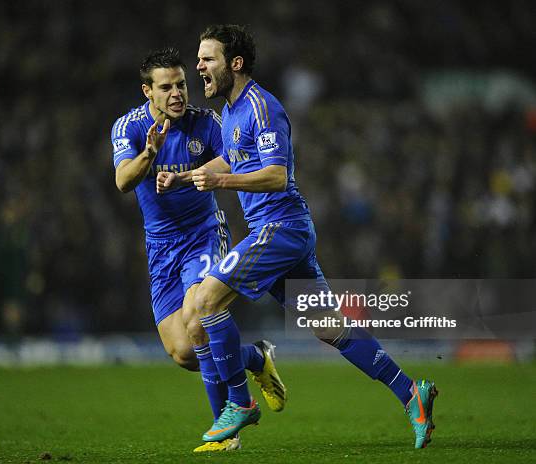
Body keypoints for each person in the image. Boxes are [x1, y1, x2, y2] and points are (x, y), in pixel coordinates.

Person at [157, 25, 437, 449]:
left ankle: (240, 402)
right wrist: (181, 178)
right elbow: (227, 159)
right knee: (331, 329)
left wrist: (223, 182)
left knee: (204, 301)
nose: (199, 66)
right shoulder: (231, 112)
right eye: (199, 58)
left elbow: (275, 175)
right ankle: (411, 392)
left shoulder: (262, 108)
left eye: (207, 58)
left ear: (235, 63)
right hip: (282, 235)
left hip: (281, 229)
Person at [111, 47, 286, 452]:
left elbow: (235, 157)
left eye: (181, 84)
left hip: (203, 235)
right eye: (166, 87)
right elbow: (123, 180)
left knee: (198, 317)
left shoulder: (206, 124)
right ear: (147, 92)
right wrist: (150, 155)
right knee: (184, 353)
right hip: (160, 250)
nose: (177, 94)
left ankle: (226, 434)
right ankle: (256, 359)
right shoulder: (129, 128)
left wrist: (194, 175)